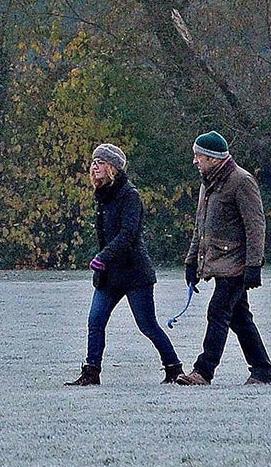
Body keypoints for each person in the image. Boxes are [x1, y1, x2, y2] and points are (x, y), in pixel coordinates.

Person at [65, 142, 183, 385]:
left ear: (113, 168)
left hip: (134, 273)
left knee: (147, 325)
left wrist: (102, 257)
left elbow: (128, 235)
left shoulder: (130, 195)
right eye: (93, 162)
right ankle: (91, 372)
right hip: (109, 276)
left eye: (100, 162)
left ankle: (174, 368)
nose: (94, 166)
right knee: (95, 321)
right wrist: (104, 262)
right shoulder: (102, 195)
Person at [176, 130, 271, 386]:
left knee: (217, 312)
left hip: (236, 266)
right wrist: (191, 262)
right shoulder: (207, 183)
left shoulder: (242, 181)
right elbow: (201, 226)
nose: (195, 161)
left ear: (213, 158)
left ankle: (203, 372)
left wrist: (254, 265)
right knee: (240, 319)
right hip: (220, 264)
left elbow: (256, 226)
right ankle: (262, 371)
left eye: (198, 156)